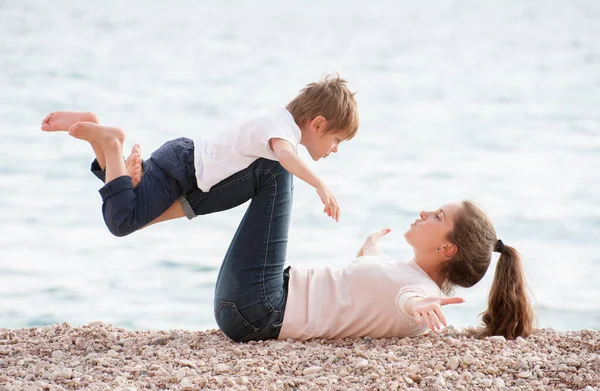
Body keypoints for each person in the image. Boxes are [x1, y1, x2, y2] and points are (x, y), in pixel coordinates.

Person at [201, 158, 534, 342]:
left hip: (261, 308)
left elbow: (408, 299)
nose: (424, 213)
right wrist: (371, 249)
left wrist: (420, 305)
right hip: (254, 306)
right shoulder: (405, 273)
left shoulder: (419, 289)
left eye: (438, 216)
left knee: (275, 169)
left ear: (447, 248)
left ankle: (179, 200)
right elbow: (382, 281)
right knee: (274, 168)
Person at [40, 74, 358, 236]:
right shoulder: (282, 131)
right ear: (317, 124)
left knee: (127, 192)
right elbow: (287, 157)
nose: (335, 150)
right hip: (183, 172)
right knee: (121, 220)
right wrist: (320, 185)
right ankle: (112, 144)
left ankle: (97, 131)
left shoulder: (276, 117)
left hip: (181, 156)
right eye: (337, 140)